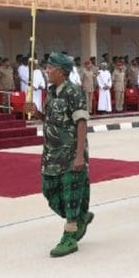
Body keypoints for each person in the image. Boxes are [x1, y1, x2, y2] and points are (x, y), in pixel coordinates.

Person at [36, 53, 93, 257]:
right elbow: (51, 120)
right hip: (52, 154)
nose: (47, 71)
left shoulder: (74, 92)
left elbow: (81, 123)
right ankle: (80, 216)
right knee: (49, 190)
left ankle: (69, 237)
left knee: (70, 195)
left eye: (50, 68)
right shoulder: (52, 92)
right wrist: (36, 113)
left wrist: (79, 156)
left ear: (61, 71)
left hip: (70, 153)